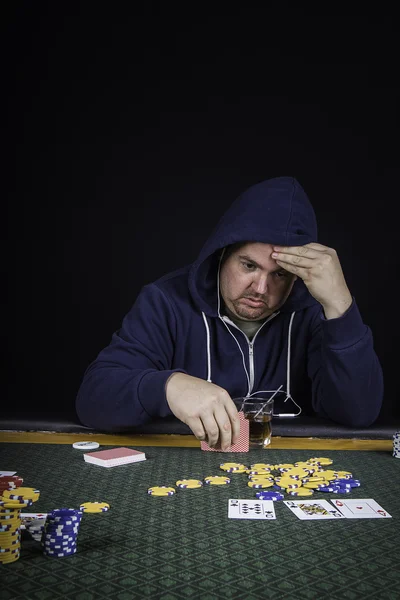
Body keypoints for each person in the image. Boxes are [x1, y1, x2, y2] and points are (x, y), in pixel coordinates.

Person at [76, 176, 384, 448]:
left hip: (287, 470)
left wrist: (341, 305)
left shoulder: (317, 312)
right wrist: (169, 387)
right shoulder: (166, 301)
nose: (261, 288)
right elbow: (93, 399)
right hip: (187, 465)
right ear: (222, 254)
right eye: (249, 266)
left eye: (280, 275)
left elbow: (358, 414)